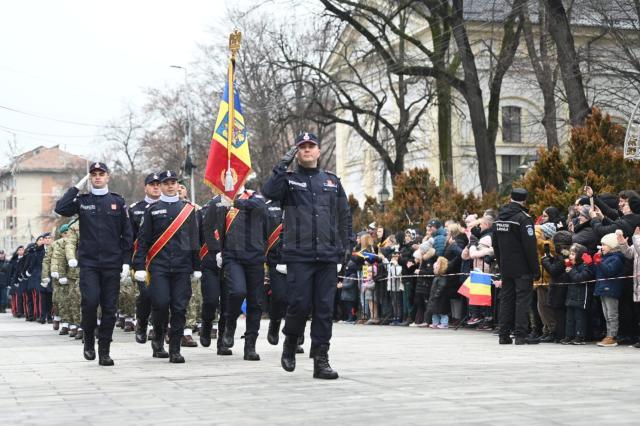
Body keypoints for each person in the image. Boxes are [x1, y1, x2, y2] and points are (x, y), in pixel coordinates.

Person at [262, 132, 352, 380]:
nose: (307, 150)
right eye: (302, 147)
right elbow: (269, 192)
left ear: (319, 151)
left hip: (326, 256)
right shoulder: (289, 181)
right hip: (299, 255)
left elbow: (344, 215)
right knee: (299, 305)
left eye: (311, 146)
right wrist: (281, 165)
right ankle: (290, 342)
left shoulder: (332, 181)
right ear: (297, 153)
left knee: (324, 309)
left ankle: (321, 360)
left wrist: (346, 246)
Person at [55, 162, 133, 366]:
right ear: (90, 178)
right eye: (94, 175)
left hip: (112, 263)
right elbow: (60, 208)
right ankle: (88, 339)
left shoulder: (117, 201)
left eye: (101, 174)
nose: (97, 177)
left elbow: (127, 234)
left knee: (109, 308)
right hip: (89, 263)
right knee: (89, 303)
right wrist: (76, 187)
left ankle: (104, 350)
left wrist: (126, 263)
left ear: (108, 177)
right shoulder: (82, 200)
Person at [133, 170, 200, 363]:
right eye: (166, 183)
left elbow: (194, 239)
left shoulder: (188, 209)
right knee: (161, 304)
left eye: (173, 182)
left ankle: (175, 349)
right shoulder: (152, 209)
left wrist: (197, 266)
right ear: (160, 186)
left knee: (179, 308)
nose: (170, 186)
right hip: (159, 266)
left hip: (182, 266)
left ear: (178, 185)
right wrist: (139, 265)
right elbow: (143, 240)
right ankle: (158, 339)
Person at [204, 183, 267, 361]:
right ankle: (229, 324)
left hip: (255, 256)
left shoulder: (254, 197)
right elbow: (208, 227)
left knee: (255, 303)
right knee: (237, 291)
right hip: (232, 256)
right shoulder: (218, 202)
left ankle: (250, 346)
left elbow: (262, 209)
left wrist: (235, 202)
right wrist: (216, 250)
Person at [493, 188, 540, 345]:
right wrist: (535, 269)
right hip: (522, 268)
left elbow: (495, 245)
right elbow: (530, 247)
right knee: (522, 301)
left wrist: (501, 265)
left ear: (510, 198)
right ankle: (520, 335)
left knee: (506, 300)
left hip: (506, 267)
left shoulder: (499, 218)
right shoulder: (524, 219)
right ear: (524, 201)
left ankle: (503, 335)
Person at [129, 173, 162, 343]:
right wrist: (127, 263)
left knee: (163, 299)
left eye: (158, 184)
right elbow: (129, 237)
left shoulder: (172, 208)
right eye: (152, 184)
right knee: (147, 295)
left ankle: (158, 337)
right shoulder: (135, 209)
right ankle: (141, 321)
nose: (156, 187)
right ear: (145, 187)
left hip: (163, 259)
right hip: (143, 260)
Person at [593, 233, 626, 347]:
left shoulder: (616, 258)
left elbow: (609, 271)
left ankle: (612, 336)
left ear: (612, 246)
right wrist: (592, 263)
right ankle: (608, 334)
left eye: (604, 245)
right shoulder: (604, 257)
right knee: (606, 314)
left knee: (612, 314)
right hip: (602, 288)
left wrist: (599, 262)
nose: (601, 247)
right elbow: (598, 272)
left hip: (611, 289)